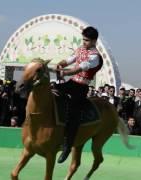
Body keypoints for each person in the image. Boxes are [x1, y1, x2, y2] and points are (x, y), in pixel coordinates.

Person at [54, 26, 103, 163]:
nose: (84, 42)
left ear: (94, 41)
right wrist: (60, 64)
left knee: (74, 114)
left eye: (86, 40)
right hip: (71, 83)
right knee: (52, 90)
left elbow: (81, 67)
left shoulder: (95, 56)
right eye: (83, 39)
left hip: (81, 87)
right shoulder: (80, 49)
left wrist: (65, 72)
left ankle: (68, 146)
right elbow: (69, 60)